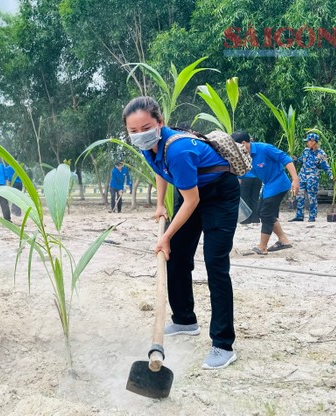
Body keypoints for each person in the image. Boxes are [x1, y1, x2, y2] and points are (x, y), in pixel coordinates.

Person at [123, 96, 240, 370]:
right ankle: (185, 320)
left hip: (219, 194)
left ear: (160, 123)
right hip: (191, 190)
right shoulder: (147, 145)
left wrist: (165, 236)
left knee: (215, 264)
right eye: (133, 131)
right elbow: (160, 171)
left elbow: (192, 201)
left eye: (146, 127)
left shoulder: (179, 149)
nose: (140, 135)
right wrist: (161, 203)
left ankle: (223, 344)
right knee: (175, 256)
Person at [232, 131, 300, 255]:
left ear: (243, 143)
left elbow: (286, 159)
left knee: (266, 214)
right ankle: (284, 240)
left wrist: (295, 179)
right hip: (268, 186)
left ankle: (262, 246)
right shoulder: (244, 155)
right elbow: (242, 173)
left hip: (279, 183)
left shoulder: (265, 148)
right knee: (261, 212)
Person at [289, 132, 333, 222]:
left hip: (312, 177)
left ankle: (312, 216)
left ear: (313, 141)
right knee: (299, 196)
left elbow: (326, 166)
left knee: (312, 197)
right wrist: (294, 159)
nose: (307, 143)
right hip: (302, 176)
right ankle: (299, 216)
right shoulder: (306, 151)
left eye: (308, 141)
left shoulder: (321, 154)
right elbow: (301, 160)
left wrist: (331, 176)